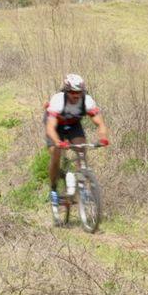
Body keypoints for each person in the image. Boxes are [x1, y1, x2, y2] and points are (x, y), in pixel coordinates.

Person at [45, 74, 109, 206]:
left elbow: (100, 123)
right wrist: (57, 141)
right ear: (67, 91)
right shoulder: (58, 100)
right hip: (56, 126)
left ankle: (82, 187)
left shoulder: (87, 100)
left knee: (81, 151)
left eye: (79, 92)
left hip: (74, 125)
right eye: (73, 92)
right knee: (56, 155)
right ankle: (53, 189)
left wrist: (103, 138)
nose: (76, 95)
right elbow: (50, 127)